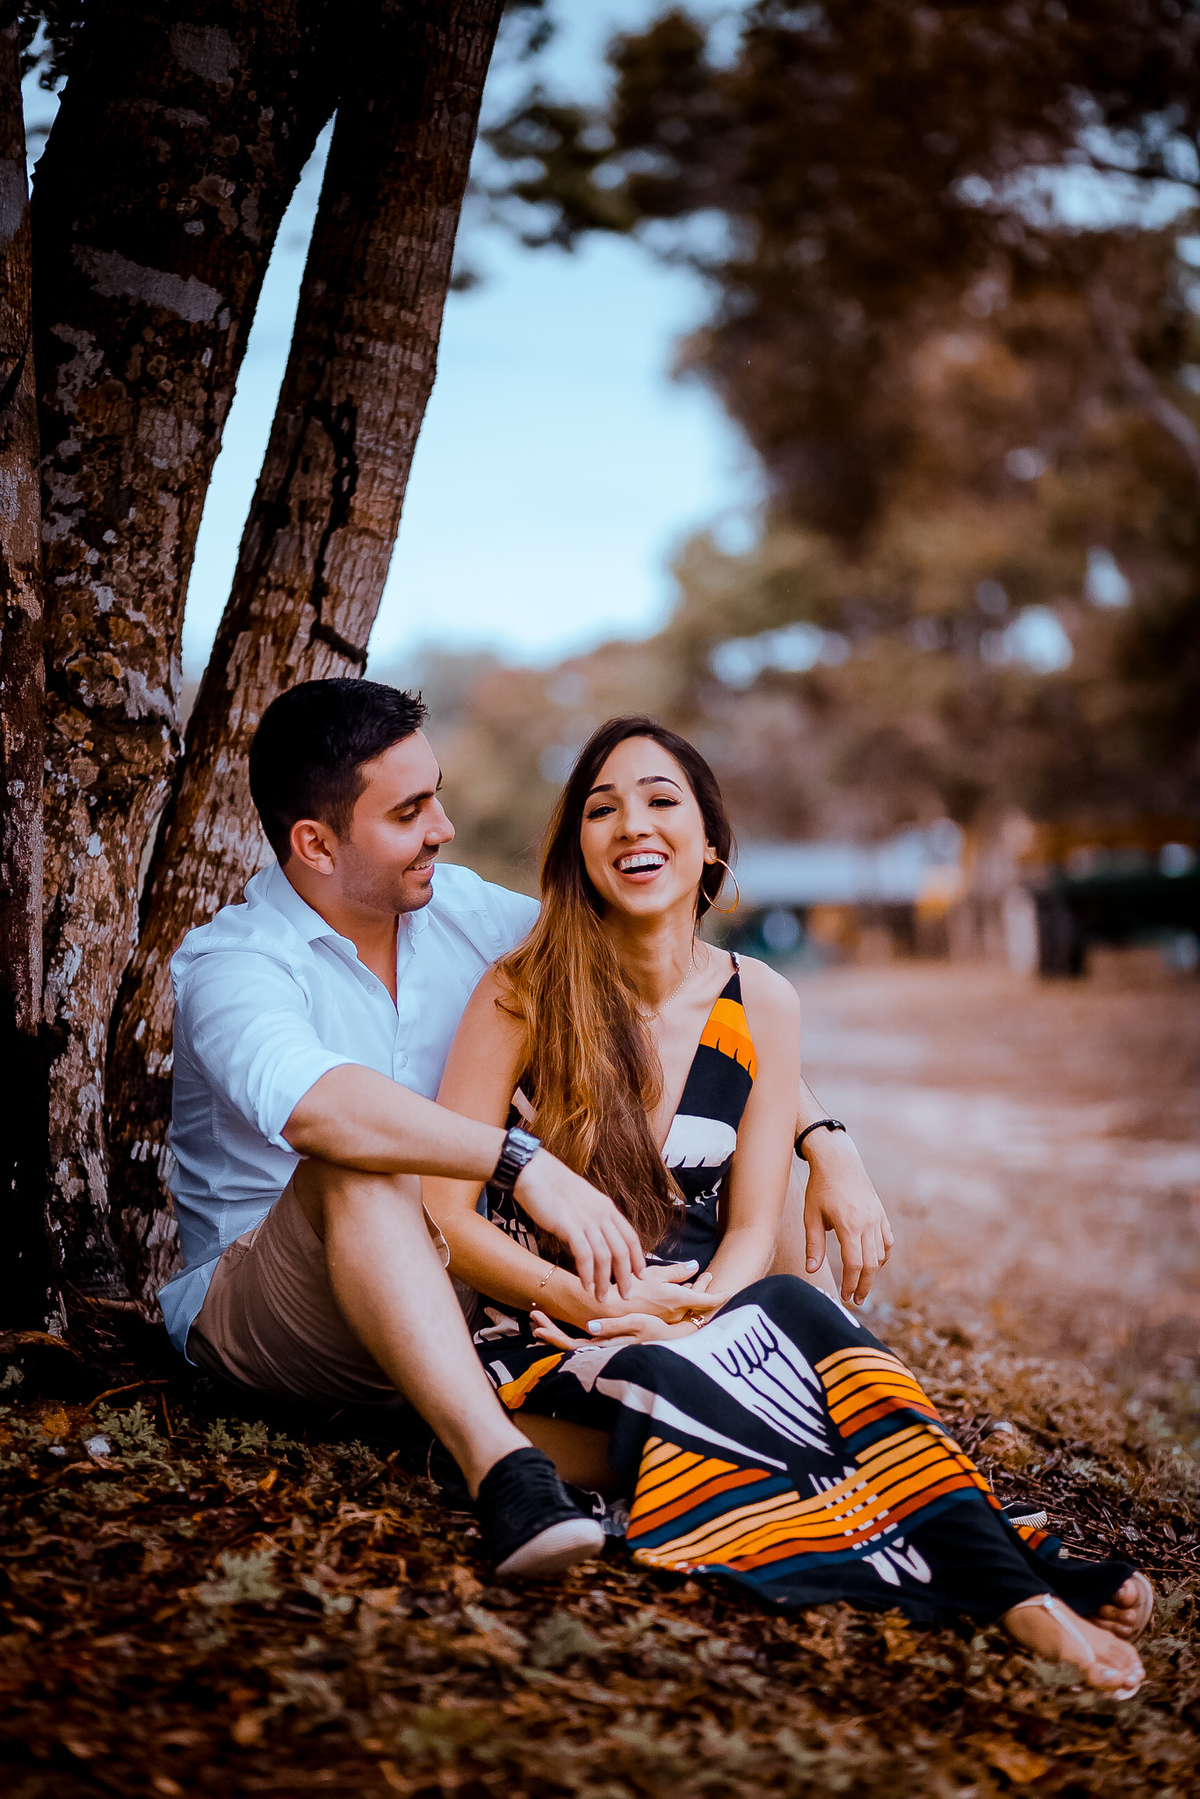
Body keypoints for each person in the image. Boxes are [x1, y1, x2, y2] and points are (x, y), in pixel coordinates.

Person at [424, 715, 1153, 1697]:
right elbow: (446, 1216)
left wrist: (698, 1303)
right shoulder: (521, 991)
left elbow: (755, 1228)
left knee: (806, 1318)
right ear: (577, 849)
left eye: (659, 798)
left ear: (712, 842)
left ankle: (1006, 1581)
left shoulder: (761, 998)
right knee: (783, 1380)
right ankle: (1012, 1576)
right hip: (552, 1336)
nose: (630, 822)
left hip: (702, 1322)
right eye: (601, 807)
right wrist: (599, 1302)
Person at [159, 679, 889, 1579]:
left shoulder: (461, 911)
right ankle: (504, 1473)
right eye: (411, 810)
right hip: (285, 1306)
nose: (444, 828)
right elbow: (324, 1109)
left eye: (437, 794)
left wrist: (826, 1137)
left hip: (460, 1283)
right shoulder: (232, 965)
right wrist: (519, 1160)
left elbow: (663, 988)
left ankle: (710, 1409)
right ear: (314, 842)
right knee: (361, 1158)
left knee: (757, 1205)